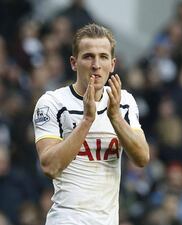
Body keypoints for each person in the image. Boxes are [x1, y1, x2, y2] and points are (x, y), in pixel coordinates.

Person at [32, 23, 150, 225]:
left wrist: (115, 117)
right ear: (73, 62)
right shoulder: (52, 103)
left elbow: (142, 158)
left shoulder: (124, 101)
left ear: (112, 64)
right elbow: (50, 166)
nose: (96, 64)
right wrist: (87, 120)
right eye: (88, 56)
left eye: (103, 57)